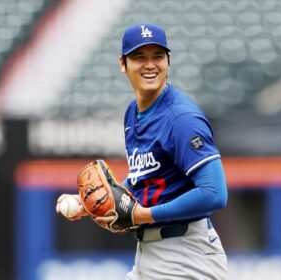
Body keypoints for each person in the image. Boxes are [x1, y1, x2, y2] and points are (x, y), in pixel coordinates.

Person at [56, 23, 228, 279]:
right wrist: (90, 202)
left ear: (168, 62)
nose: (150, 65)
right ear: (123, 64)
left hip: (185, 255)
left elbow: (214, 194)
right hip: (151, 252)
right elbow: (146, 180)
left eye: (157, 56)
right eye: (139, 57)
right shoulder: (132, 113)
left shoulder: (181, 118)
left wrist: (144, 214)